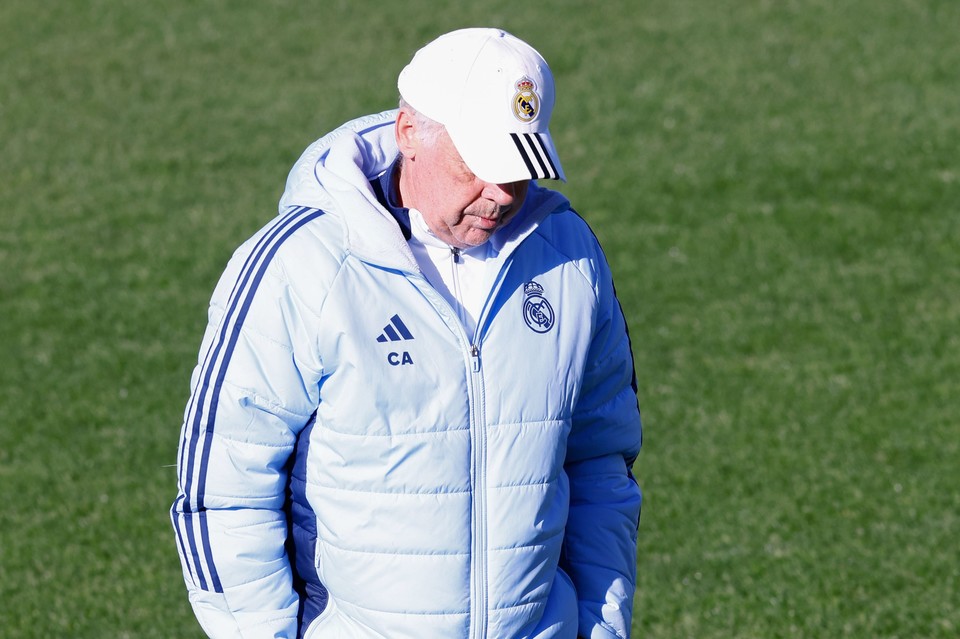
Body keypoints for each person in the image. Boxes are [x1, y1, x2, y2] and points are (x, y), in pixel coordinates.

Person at [171, 27, 642, 639]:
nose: (502, 194)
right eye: (480, 164)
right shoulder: (302, 265)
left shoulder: (568, 254)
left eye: (522, 166)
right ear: (409, 132)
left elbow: (601, 463)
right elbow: (223, 489)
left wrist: (603, 628)